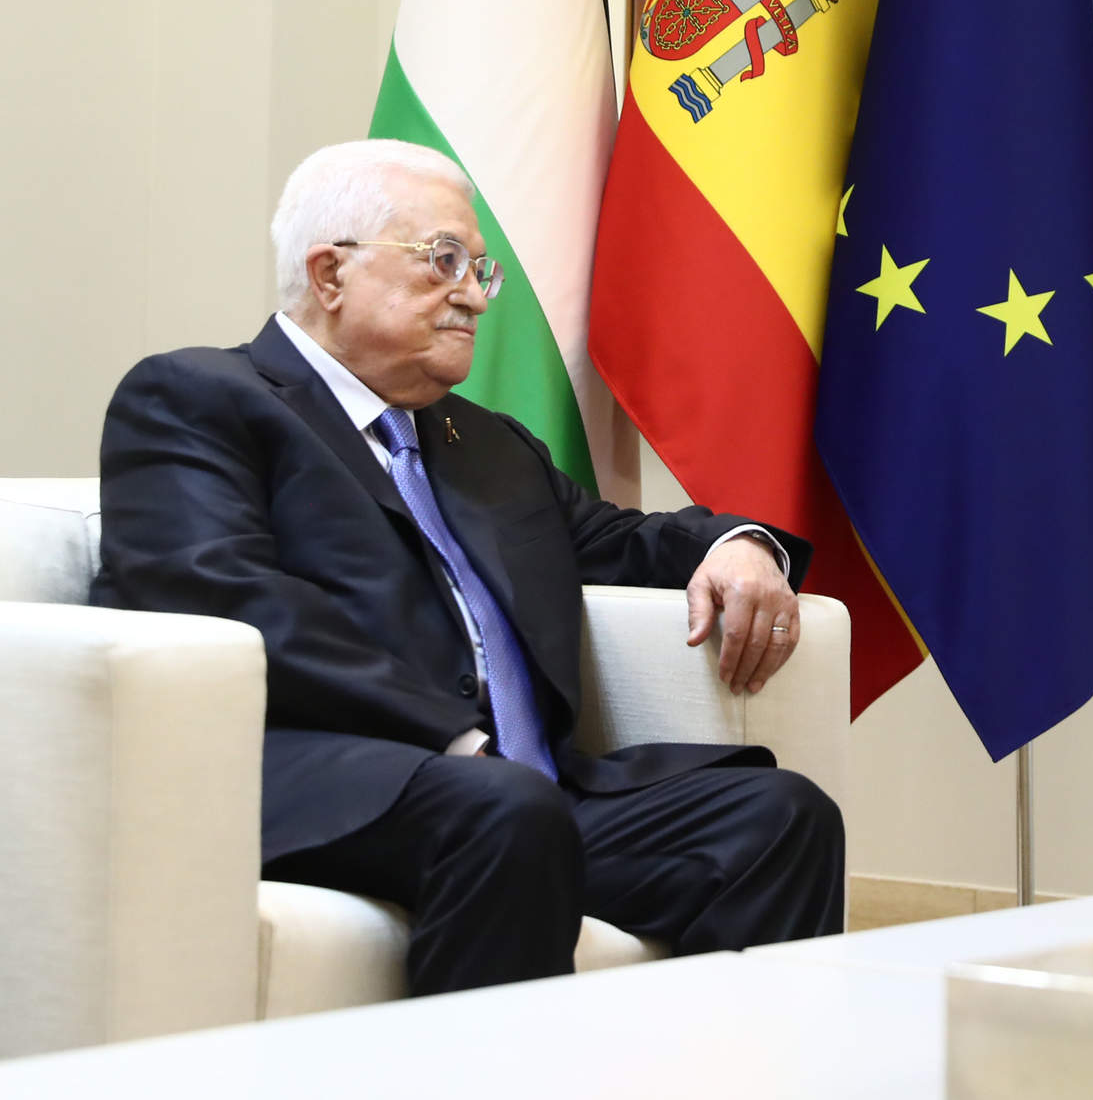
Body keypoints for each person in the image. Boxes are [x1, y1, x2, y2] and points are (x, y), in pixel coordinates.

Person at [91, 140, 843, 994]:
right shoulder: (199, 398)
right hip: (334, 783)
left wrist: (735, 544)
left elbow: (618, 538)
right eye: (445, 261)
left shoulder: (486, 443)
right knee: (506, 812)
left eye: (481, 269)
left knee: (778, 818)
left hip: (520, 795)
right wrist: (455, 739)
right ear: (331, 274)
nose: (473, 298)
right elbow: (222, 597)